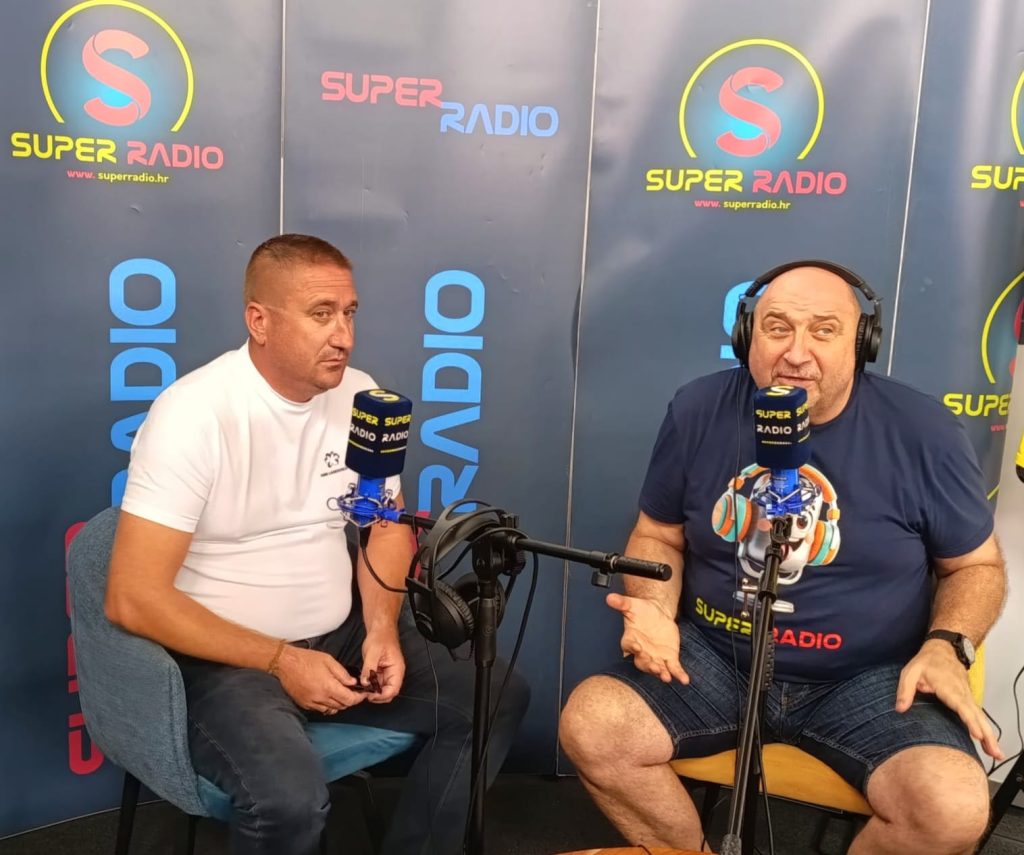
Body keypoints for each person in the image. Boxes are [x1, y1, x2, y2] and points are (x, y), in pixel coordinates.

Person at [559, 261, 1007, 855]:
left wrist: (947, 645)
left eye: (823, 330)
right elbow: (658, 535)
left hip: (868, 679)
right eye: (777, 328)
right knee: (593, 724)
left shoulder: (923, 431)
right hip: (718, 659)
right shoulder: (698, 409)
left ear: (861, 343)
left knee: (950, 807)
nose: (796, 353)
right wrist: (655, 610)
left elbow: (975, 567)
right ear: (748, 335)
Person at [105, 233, 530, 855]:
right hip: (226, 657)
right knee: (286, 801)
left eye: (350, 313)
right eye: (321, 314)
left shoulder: (361, 397)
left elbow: (385, 527)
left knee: (494, 696)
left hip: (341, 635)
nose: (344, 336)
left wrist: (382, 630)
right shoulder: (193, 415)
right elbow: (131, 597)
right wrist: (281, 660)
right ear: (259, 321)